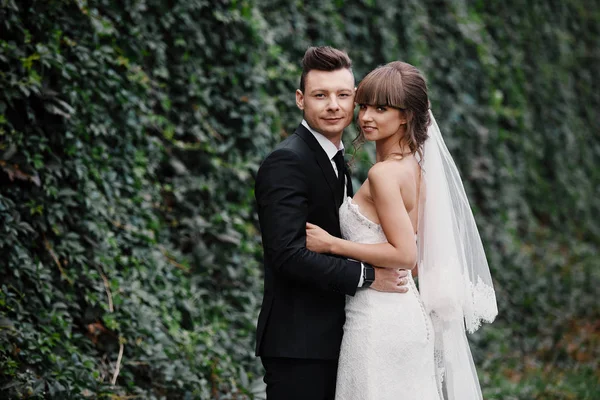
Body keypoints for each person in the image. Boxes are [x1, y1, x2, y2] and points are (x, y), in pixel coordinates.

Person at [306, 61, 498, 399]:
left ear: (406, 115)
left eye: (381, 108)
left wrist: (332, 244)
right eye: (364, 105)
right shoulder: (418, 170)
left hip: (378, 320)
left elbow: (404, 254)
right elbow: (412, 261)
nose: (366, 116)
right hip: (404, 311)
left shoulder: (384, 175)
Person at [254, 47, 409, 400]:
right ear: (300, 99)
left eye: (343, 95)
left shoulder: (338, 161)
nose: (333, 105)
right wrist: (368, 276)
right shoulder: (286, 161)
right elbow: (287, 255)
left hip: (341, 337)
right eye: (320, 95)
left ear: (355, 99)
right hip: (300, 345)